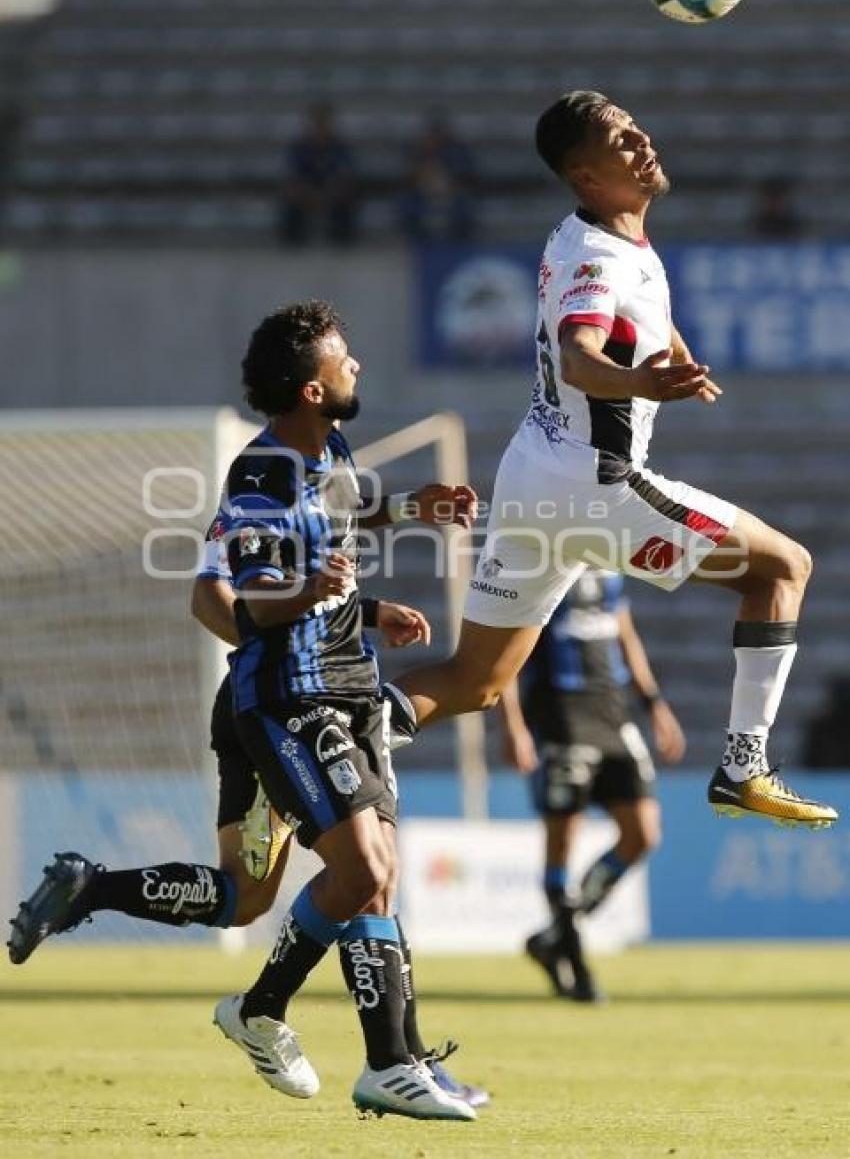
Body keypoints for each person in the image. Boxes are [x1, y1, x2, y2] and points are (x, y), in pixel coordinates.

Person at [8, 302, 484, 1120]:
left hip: (322, 685)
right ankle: (300, 1024)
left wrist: (404, 525)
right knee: (363, 870)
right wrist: (315, 608)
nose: (358, 366)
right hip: (288, 697)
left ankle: (94, 889)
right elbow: (233, 595)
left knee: (250, 896)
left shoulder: (323, 450)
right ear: (311, 385)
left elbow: (337, 518)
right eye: (345, 358)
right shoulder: (261, 473)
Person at [387, 89, 837, 831]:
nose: (641, 142)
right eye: (620, 141)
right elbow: (579, 352)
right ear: (587, 177)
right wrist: (641, 381)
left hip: (532, 478)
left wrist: (674, 355)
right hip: (594, 483)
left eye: (635, 128)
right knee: (784, 568)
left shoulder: (588, 235)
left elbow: (627, 314)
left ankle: (323, 737)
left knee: (475, 682)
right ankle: (744, 764)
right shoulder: (600, 257)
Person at [498, 569, 685, 1001]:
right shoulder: (539, 566)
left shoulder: (608, 565)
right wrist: (512, 725)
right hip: (559, 713)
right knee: (562, 842)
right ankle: (575, 964)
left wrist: (654, 703)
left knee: (642, 834)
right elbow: (504, 648)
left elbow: (625, 632)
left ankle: (553, 938)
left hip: (612, 710)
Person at [279, 104, 358, 246]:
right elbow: (293, 176)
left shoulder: (340, 148)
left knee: (346, 198)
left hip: (332, 192)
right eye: (316, 124)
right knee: (291, 198)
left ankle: (342, 239)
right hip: (306, 191)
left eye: (324, 124)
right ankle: (293, 240)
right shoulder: (299, 148)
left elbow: (345, 176)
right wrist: (309, 193)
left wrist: (327, 194)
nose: (320, 129)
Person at [400, 112, 477, 241]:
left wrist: (448, 184)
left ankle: (457, 244)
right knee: (407, 206)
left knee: (463, 208)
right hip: (422, 193)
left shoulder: (457, 150)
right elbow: (407, 178)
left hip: (451, 193)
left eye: (439, 132)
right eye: (433, 132)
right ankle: (420, 243)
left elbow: (467, 176)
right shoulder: (416, 150)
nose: (436, 136)